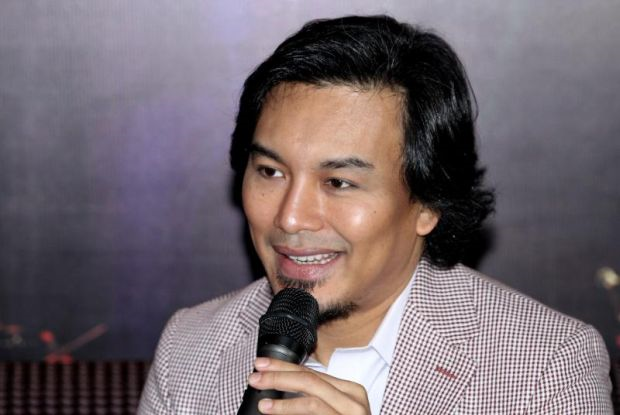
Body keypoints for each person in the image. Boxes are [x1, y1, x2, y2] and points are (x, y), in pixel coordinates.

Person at [138, 15, 612, 414]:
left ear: (427, 203)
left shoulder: (547, 365)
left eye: (339, 183)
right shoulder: (192, 346)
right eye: (270, 171)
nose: (291, 218)